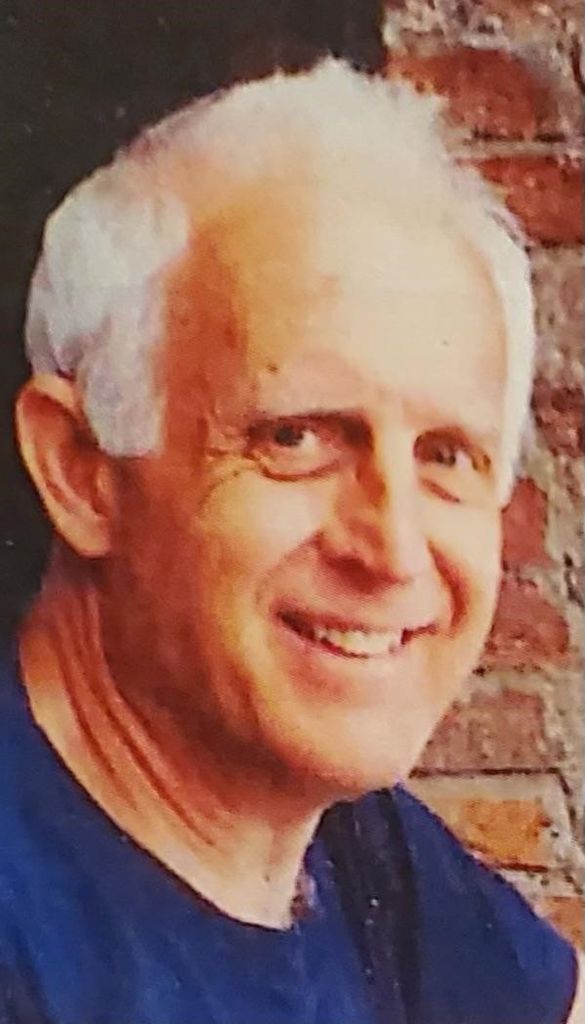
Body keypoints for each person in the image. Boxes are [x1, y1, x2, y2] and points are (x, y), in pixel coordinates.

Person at [1, 59, 581, 1023]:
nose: (393, 549)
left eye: (445, 455)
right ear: (81, 469)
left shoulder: (353, 849)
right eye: (296, 438)